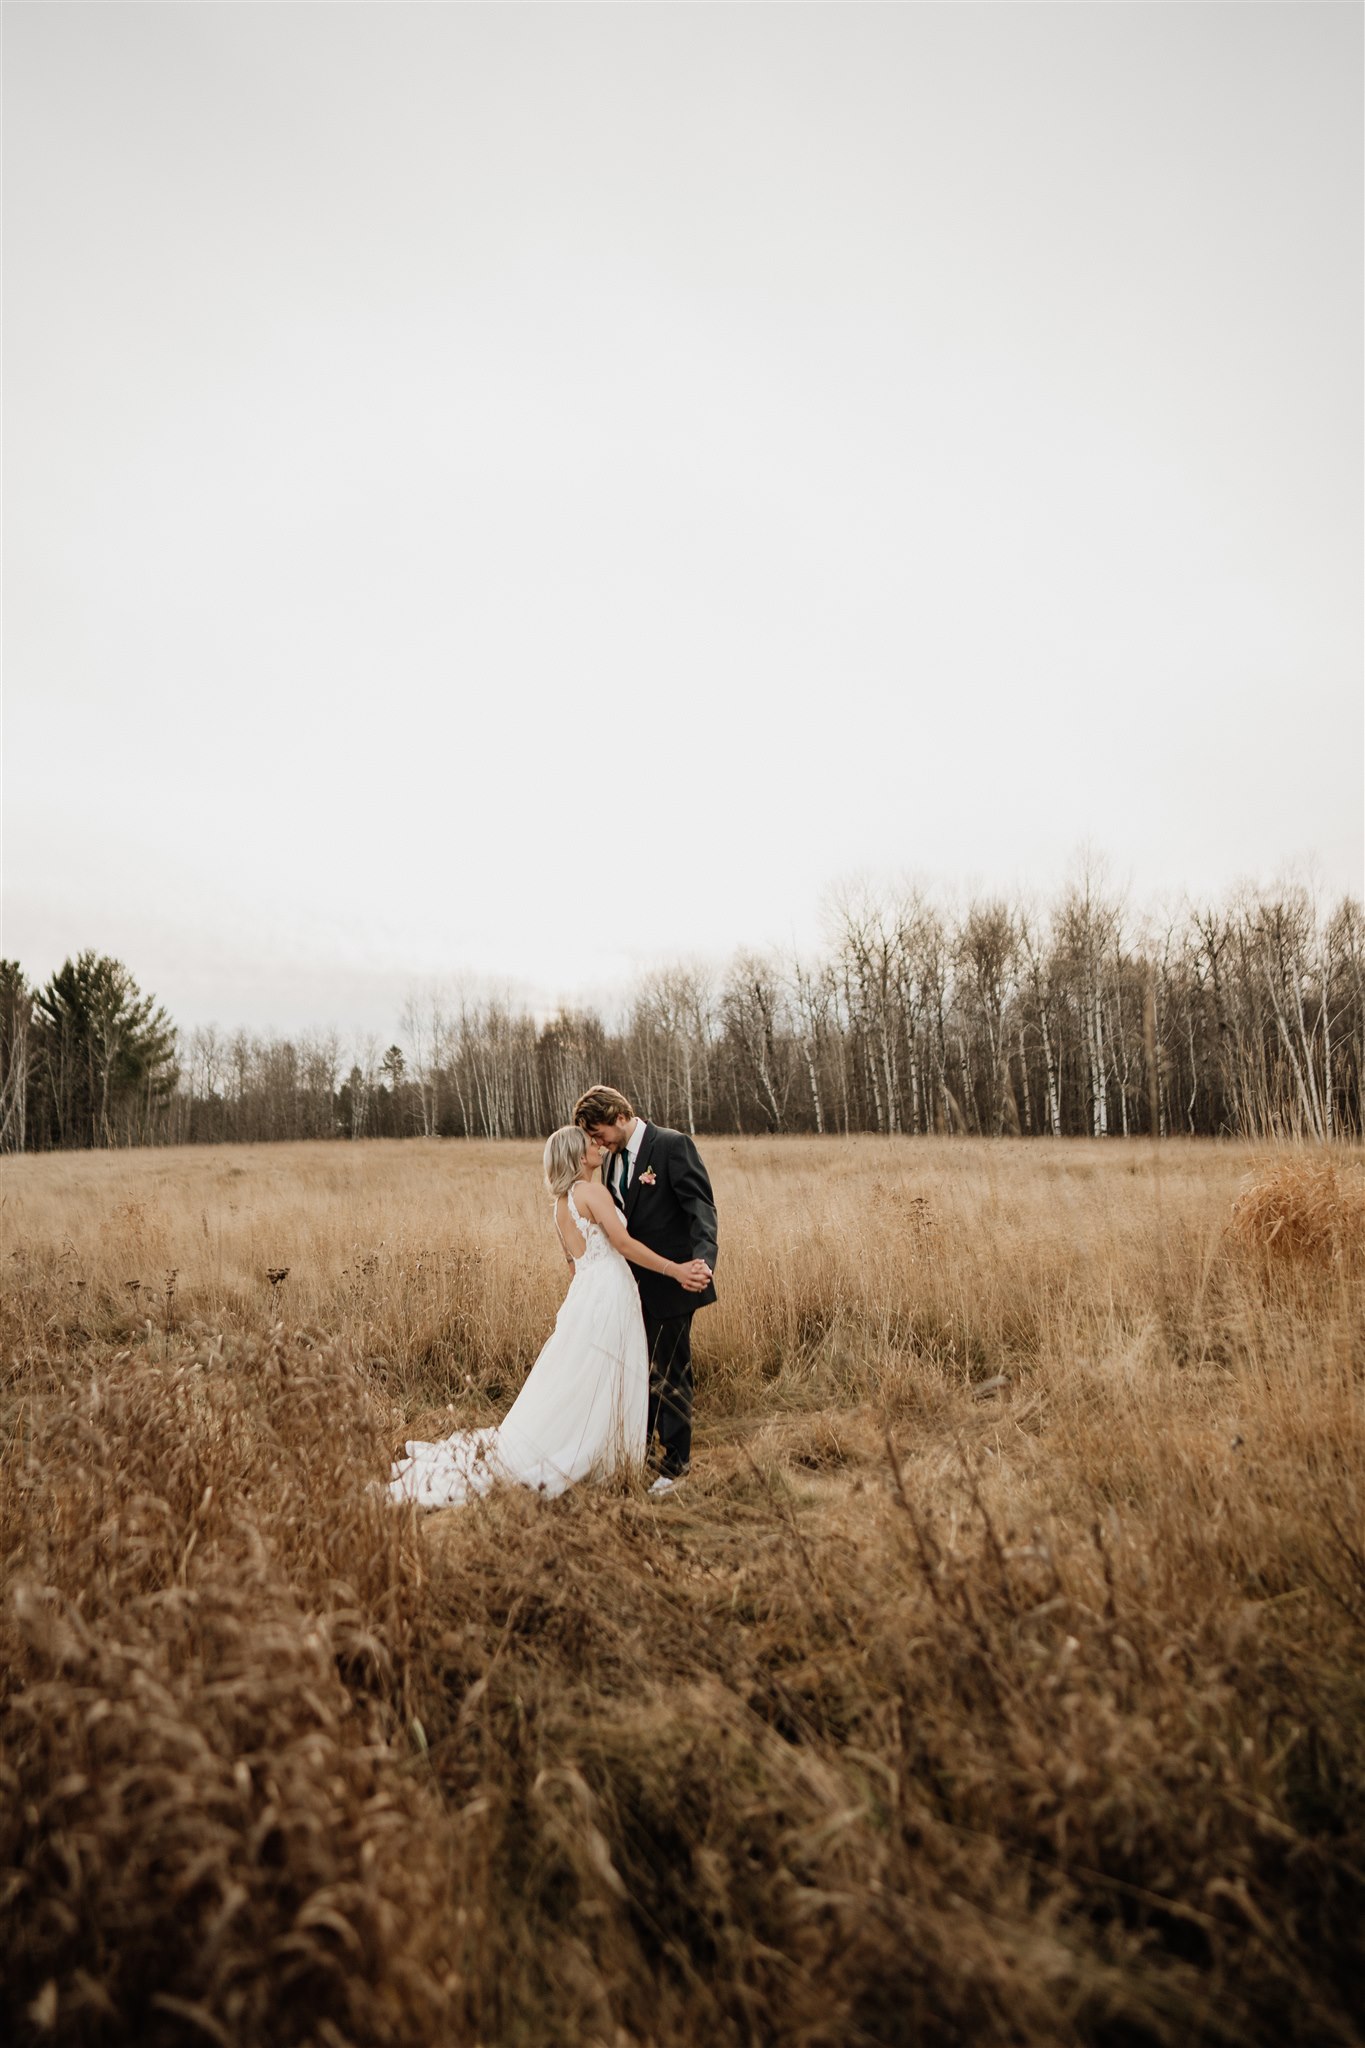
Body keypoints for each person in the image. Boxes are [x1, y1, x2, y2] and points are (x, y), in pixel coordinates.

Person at [387, 1126, 710, 1509]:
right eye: (589, 1144)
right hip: (609, 1292)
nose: (597, 1146)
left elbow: (573, 1266)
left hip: (586, 1294)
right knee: (609, 1373)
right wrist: (675, 1270)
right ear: (577, 1156)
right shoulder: (592, 1192)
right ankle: (605, 1455)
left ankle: (600, 1446)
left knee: (586, 1375)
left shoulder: (561, 1204)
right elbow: (622, 1245)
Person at [573, 1085, 717, 1497]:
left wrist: (703, 1262)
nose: (596, 1141)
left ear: (619, 1115)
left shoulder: (671, 1145)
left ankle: (675, 1466)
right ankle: (645, 1451)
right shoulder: (611, 1159)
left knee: (671, 1372)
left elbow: (701, 1210)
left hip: (676, 1281)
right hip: (629, 1286)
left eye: (598, 1130)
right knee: (640, 1370)